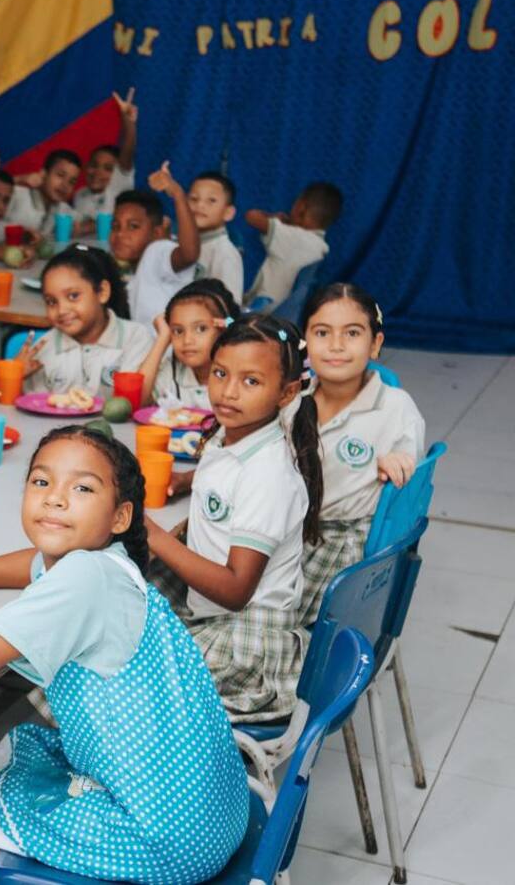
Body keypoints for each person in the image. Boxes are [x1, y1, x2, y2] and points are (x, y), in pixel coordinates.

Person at [0, 427, 248, 883]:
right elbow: (35, 563)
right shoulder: (109, 561)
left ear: (121, 516)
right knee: (19, 753)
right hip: (213, 814)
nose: (55, 499)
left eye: (81, 488)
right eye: (42, 482)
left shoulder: (84, 579)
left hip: (163, 840)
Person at [145, 314, 323, 722]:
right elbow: (226, 477)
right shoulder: (230, 437)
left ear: (287, 392)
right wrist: (190, 479)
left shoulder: (268, 473)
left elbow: (236, 589)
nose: (227, 392)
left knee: (111, 674)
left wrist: (155, 535)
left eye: (251, 381)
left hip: (247, 643)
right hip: (217, 614)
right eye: (221, 373)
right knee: (116, 609)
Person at [296, 283, 425, 615]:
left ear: (375, 344)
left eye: (352, 333)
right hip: (283, 533)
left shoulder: (395, 408)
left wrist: (398, 464)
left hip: (335, 547)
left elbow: (409, 487)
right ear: (305, 342)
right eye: (322, 333)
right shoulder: (291, 399)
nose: (336, 345)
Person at [15, 245, 153, 396]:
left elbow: (135, 402)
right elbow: (34, 407)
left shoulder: (135, 339)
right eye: (51, 302)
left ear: (102, 292)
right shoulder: (45, 348)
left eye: (73, 296)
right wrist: (14, 377)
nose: (62, 310)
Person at [109, 162, 199, 326]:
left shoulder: (156, 252)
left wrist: (178, 195)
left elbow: (189, 253)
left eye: (133, 226)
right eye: (115, 226)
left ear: (157, 233)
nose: (121, 234)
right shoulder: (133, 274)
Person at [136, 279, 240, 409]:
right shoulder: (172, 372)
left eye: (201, 329)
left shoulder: (241, 374)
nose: (187, 340)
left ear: (222, 329)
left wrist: (233, 327)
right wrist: (162, 338)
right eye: (178, 331)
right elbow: (136, 401)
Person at [244, 182, 343, 308]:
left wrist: (275, 217)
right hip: (287, 314)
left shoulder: (289, 236)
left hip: (259, 311)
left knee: (224, 320)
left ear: (301, 208)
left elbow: (251, 216)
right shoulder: (321, 248)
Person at [72, 89, 139, 227]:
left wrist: (128, 122)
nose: (98, 172)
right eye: (94, 165)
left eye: (108, 169)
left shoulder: (118, 186)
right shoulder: (79, 195)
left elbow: (128, 149)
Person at [188, 171, 244, 301]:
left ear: (228, 212)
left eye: (211, 200)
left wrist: (226, 322)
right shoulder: (182, 244)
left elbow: (232, 309)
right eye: (194, 199)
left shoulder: (225, 254)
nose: (200, 205)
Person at [7, 150, 82, 238]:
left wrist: (76, 229)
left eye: (71, 182)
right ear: (43, 174)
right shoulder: (16, 195)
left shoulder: (63, 210)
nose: (65, 185)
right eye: (60, 175)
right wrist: (19, 179)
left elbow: (80, 222)